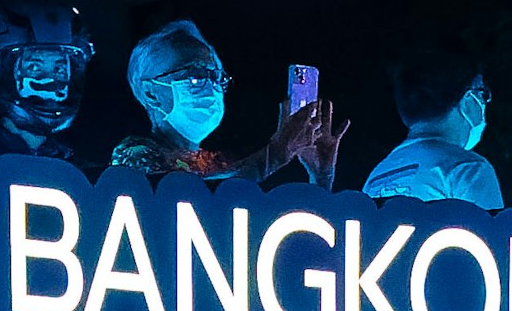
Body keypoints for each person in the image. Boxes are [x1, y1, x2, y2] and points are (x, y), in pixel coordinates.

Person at [102, 16, 339, 190]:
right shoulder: (133, 154)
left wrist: (320, 177)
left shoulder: (218, 164)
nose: (210, 87)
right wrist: (275, 153)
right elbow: (188, 202)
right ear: (150, 94)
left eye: (216, 76)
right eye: (194, 76)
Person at [0, 0, 99, 182]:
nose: (51, 81)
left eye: (59, 69)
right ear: (0, 70)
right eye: (34, 67)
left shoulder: (74, 167)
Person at [359, 45, 499, 206]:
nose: (484, 102)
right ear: (468, 99)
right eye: (481, 92)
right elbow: (493, 231)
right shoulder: (466, 168)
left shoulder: (376, 176)